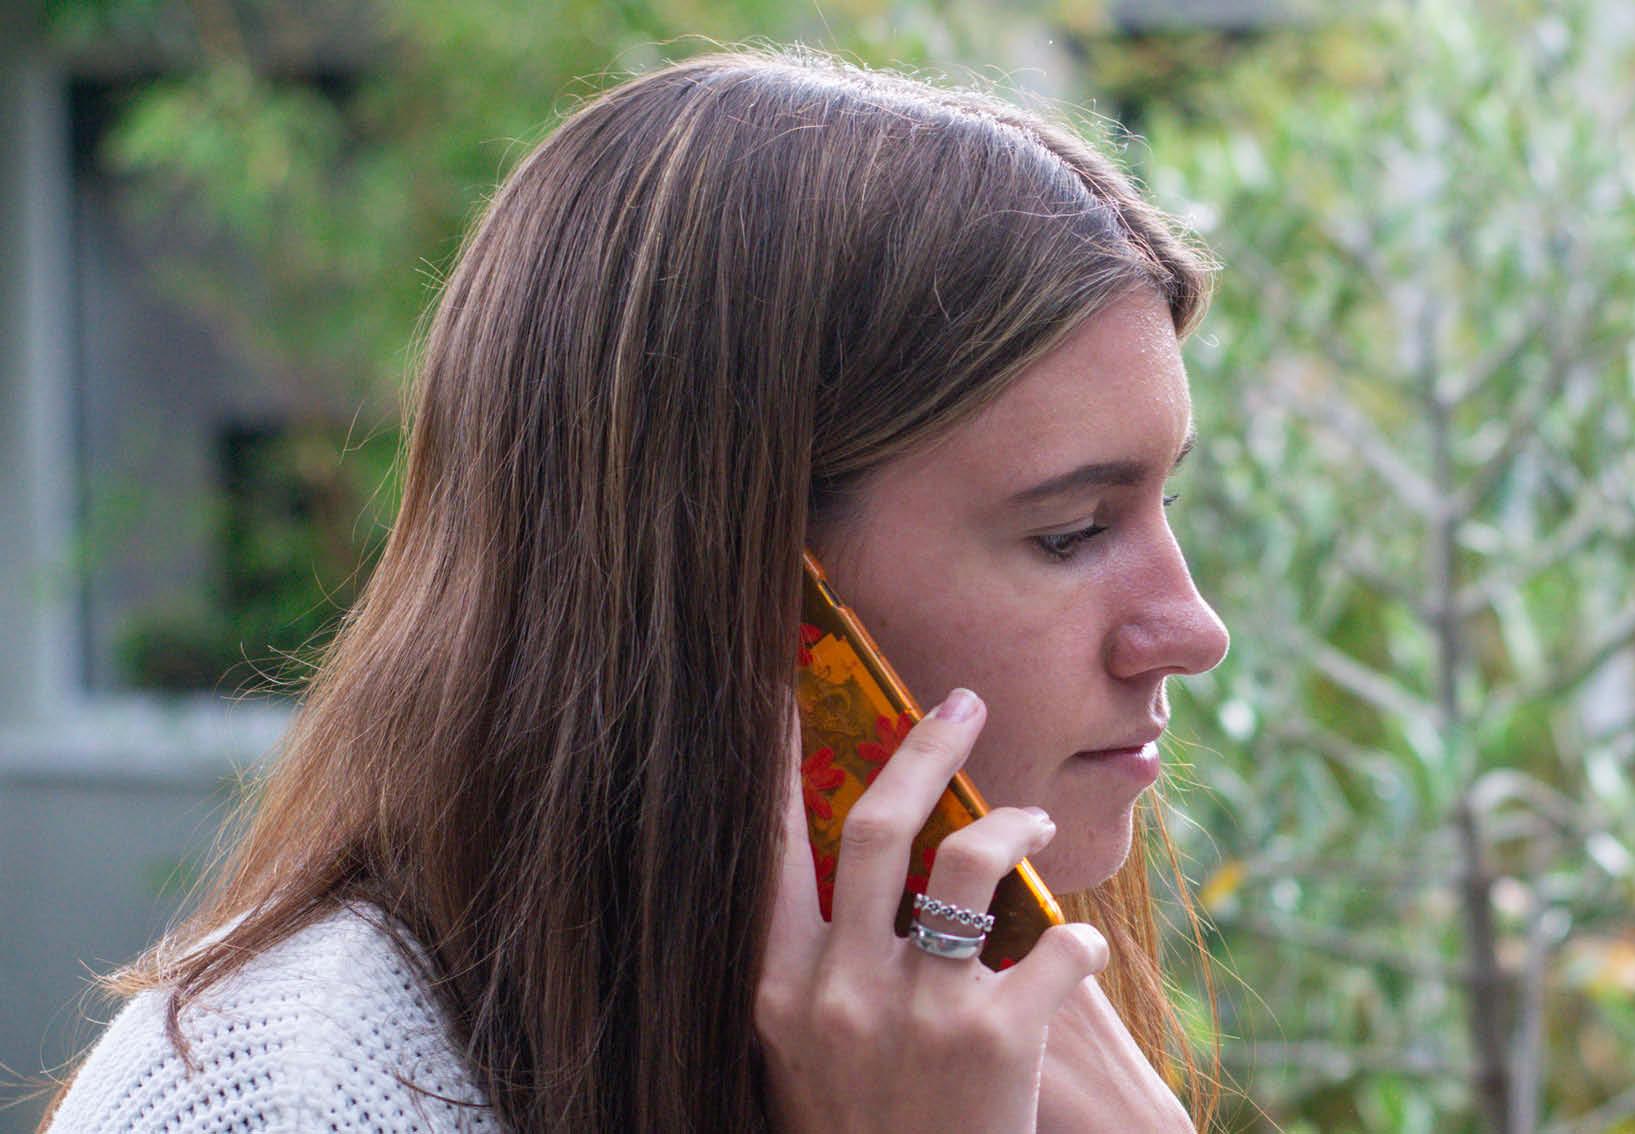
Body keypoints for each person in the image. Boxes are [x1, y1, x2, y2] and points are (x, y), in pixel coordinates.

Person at [43, 46, 1231, 1133]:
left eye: (1162, 503)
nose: (1191, 629)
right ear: (754, 597)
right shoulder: (290, 1097)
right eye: (1071, 531)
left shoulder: (1004, 1041)